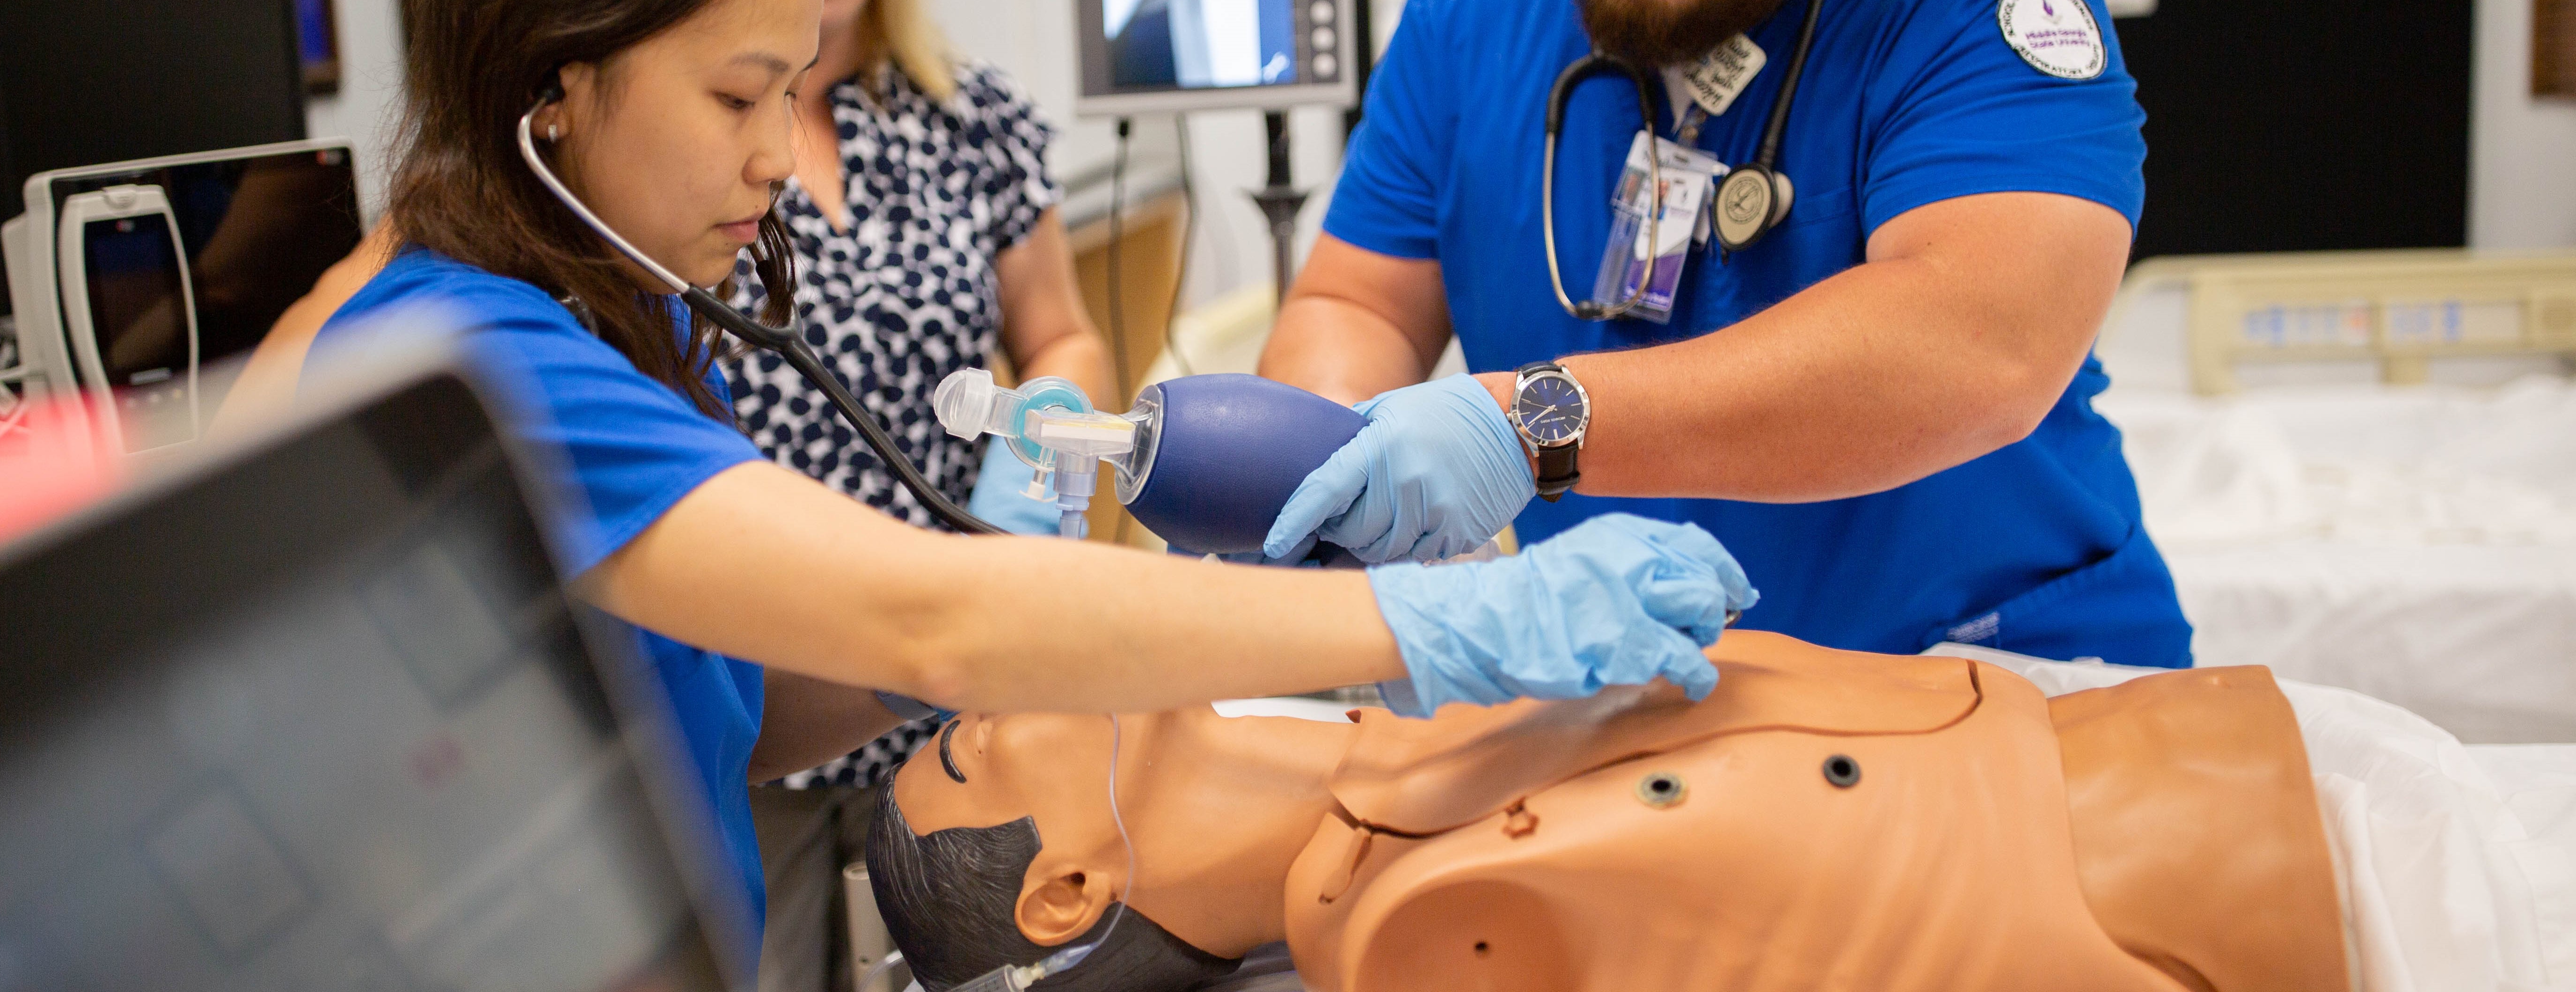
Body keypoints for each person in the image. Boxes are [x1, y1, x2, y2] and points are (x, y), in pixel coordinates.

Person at [297, 0, 1753, 984]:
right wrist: (1427, 615)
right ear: (554, 83)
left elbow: (748, 708)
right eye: (738, 96)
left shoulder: (640, 317)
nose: (769, 157)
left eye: (790, 92)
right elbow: (924, 620)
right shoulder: (480, 364)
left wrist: (997, 598)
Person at [1254, 0, 2187, 668]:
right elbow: (1359, 307)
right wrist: (1336, 466)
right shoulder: (1462, 23)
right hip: (1629, 692)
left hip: (1984, 674)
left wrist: (1530, 425)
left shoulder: (1978, 5)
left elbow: (1975, 346)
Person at [868, 634, 2569, 992]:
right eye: (968, 748)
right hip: (2318, 899)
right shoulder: (1404, 924)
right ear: (1064, 886)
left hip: (2284, 778)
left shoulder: (1394, 754)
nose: (992, 706)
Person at [686, 0, 1116, 987]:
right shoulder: (670, 143)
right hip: (750, 727)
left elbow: (1062, 340)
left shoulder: (962, 112)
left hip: (960, 721)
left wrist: (1039, 451)